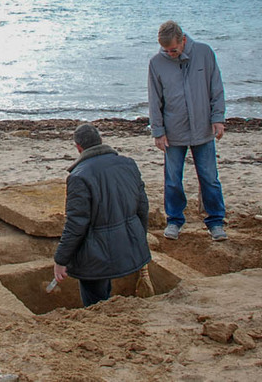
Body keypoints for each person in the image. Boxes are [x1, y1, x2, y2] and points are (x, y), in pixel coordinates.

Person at [53, 124, 151, 308]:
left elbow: (76, 224)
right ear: (100, 140)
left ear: (78, 147)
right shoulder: (128, 164)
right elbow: (142, 207)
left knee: (95, 301)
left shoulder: (78, 177)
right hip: (128, 246)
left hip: (96, 257)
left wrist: (60, 260)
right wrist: (139, 238)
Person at [147, 20, 228, 242]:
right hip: (173, 132)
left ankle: (216, 222)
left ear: (183, 40)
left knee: (209, 177)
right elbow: (154, 100)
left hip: (203, 128)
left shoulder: (204, 53)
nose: (170, 54)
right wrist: (158, 132)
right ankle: (174, 220)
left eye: (173, 50)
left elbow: (216, 88)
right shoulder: (156, 63)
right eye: (165, 50)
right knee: (173, 179)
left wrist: (218, 118)